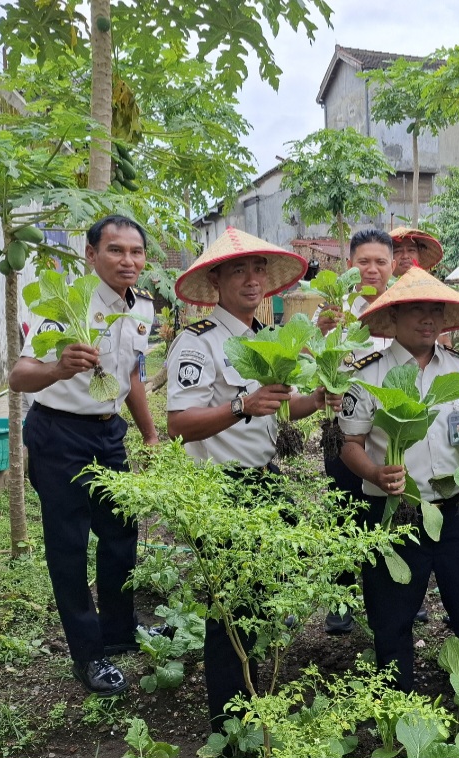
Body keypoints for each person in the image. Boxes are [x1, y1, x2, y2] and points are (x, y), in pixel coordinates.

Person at [167, 226, 332, 727]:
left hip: (264, 480)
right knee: (229, 612)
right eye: (237, 269)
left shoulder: (266, 340)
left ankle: (255, 693)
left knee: (264, 596)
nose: (251, 279)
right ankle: (230, 724)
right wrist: (240, 404)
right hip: (219, 490)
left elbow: (276, 412)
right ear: (216, 279)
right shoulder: (197, 343)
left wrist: (317, 399)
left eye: (258, 268)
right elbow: (178, 424)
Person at [9, 215, 160, 696]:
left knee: (120, 535)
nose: (128, 260)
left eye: (136, 252)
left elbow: (132, 377)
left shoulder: (142, 310)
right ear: (91, 254)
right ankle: (88, 655)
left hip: (107, 433)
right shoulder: (67, 305)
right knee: (69, 547)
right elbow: (19, 375)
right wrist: (56, 368)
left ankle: (120, 633)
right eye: (116, 250)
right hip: (58, 435)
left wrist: (150, 436)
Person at [339, 267, 459, 690]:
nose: (427, 318)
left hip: (457, 510)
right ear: (392, 319)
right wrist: (376, 472)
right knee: (391, 617)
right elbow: (350, 444)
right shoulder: (368, 373)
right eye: (415, 310)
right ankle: (397, 712)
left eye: (434, 310)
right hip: (394, 512)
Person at [313, 228, 395, 633]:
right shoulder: (332, 311)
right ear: (350, 265)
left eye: (381, 261)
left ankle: (401, 595)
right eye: (364, 261)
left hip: (395, 427)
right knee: (346, 509)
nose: (372, 269)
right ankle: (342, 598)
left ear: (392, 266)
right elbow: (313, 359)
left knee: (396, 509)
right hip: (346, 430)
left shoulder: (404, 305)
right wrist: (327, 333)